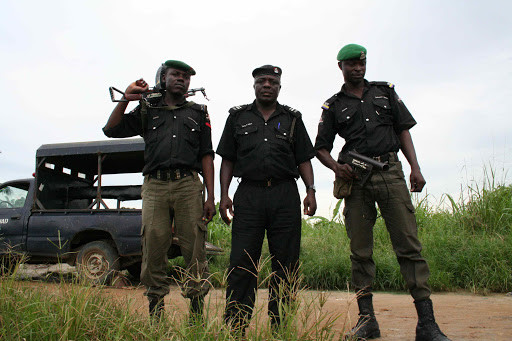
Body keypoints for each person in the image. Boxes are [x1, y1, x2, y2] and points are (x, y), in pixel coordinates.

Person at [315, 44, 450, 341]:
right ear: (341, 67)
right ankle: (367, 322)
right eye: (351, 64)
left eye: (361, 63)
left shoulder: (385, 92)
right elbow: (320, 148)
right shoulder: (333, 105)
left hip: (390, 173)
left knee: (409, 246)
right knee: (360, 252)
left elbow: (403, 130)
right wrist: (337, 169)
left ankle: (427, 324)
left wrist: (415, 167)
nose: (357, 68)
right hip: (357, 181)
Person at [103, 60, 216, 321]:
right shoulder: (148, 108)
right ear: (163, 78)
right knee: (153, 245)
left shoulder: (198, 112)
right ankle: (156, 314)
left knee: (195, 248)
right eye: (176, 75)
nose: (182, 79)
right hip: (155, 186)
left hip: (189, 185)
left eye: (186, 77)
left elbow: (206, 155)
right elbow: (112, 130)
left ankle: (196, 316)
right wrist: (127, 98)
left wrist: (210, 196)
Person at [216, 65, 317, 334]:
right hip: (248, 195)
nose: (267, 85)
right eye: (262, 81)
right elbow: (227, 158)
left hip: (285, 195)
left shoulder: (293, 118)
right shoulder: (237, 118)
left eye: (273, 81)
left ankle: (280, 327)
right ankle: (235, 328)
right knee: (241, 262)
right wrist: (224, 195)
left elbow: (304, 157)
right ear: (254, 86)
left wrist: (310, 190)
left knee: (286, 264)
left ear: (280, 87)